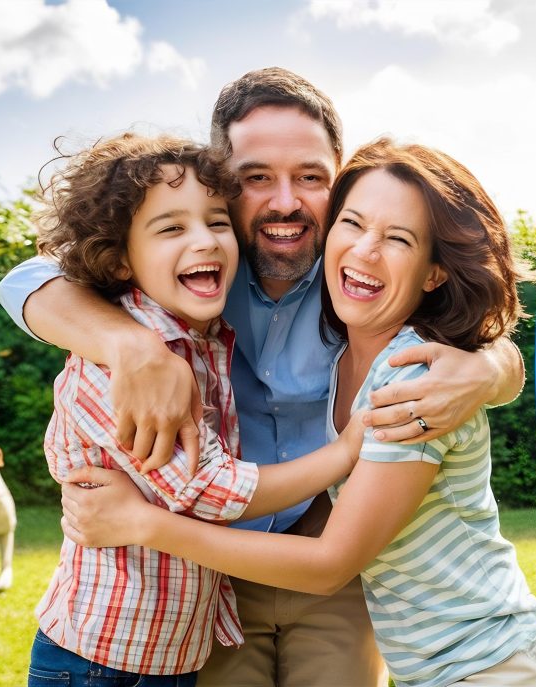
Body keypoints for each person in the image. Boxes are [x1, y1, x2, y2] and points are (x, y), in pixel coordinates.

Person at [0, 68, 525, 687]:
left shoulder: (357, 276)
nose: (284, 202)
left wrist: (488, 369)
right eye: (256, 178)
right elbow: (23, 280)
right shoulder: (194, 267)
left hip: (333, 557)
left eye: (310, 178)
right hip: (215, 574)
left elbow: (472, 333)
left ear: (339, 181)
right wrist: (132, 346)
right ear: (225, 181)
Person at [25, 133, 365, 685]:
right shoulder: (119, 364)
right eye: (172, 228)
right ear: (117, 260)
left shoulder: (208, 337)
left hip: (170, 654)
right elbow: (208, 489)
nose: (204, 241)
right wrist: (348, 451)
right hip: (99, 660)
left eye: (216, 221)